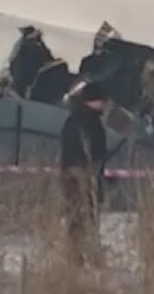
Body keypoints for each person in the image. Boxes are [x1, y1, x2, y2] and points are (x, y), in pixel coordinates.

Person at [60, 82, 110, 263]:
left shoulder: (84, 119)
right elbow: (82, 151)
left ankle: (81, 255)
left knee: (82, 218)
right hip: (82, 177)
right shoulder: (84, 122)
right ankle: (82, 256)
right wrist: (87, 173)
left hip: (84, 177)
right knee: (82, 218)